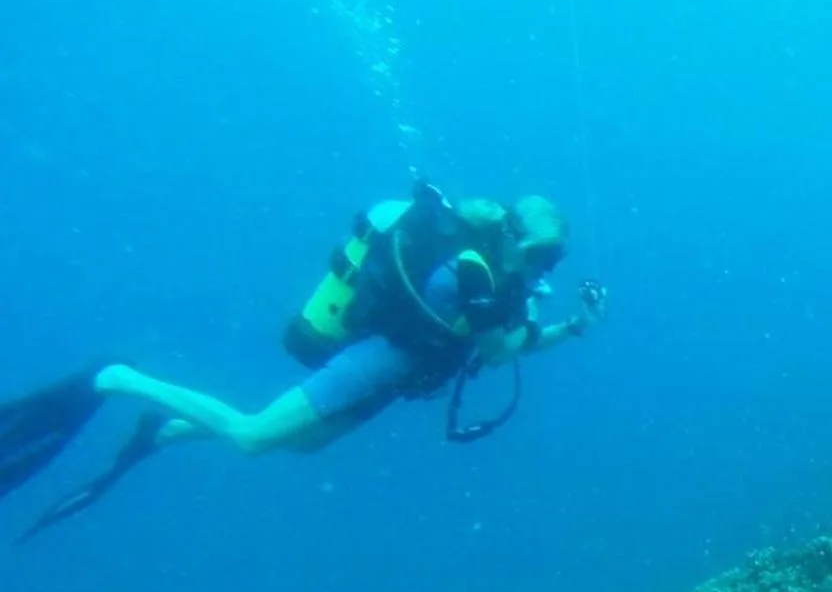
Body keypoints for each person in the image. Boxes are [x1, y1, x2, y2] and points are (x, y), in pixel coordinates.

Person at [0, 183, 606, 539]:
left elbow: (500, 349)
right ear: (512, 234)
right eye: (542, 254)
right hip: (377, 363)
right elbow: (498, 350)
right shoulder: (478, 271)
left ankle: (168, 430)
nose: (545, 266)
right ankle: (121, 379)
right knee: (252, 437)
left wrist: (570, 326)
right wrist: (529, 317)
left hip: (388, 380)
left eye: (553, 259)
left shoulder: (498, 280)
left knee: (304, 445)